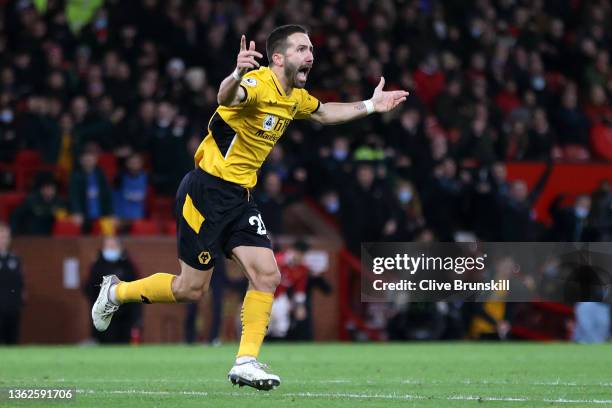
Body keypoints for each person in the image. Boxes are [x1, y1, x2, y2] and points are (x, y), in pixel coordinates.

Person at [91, 24, 408, 391]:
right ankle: (115, 292)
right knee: (191, 289)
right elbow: (227, 97)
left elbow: (322, 113)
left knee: (268, 275)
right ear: (278, 58)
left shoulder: (294, 96)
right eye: (302, 49)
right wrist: (237, 72)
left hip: (240, 198)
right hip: (206, 191)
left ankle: (245, 361)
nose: (310, 55)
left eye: (311, 49)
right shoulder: (257, 83)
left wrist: (371, 105)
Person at [84, 236, 142, 343]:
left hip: (125, 315)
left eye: (113, 246)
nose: (110, 249)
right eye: (108, 246)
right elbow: (88, 288)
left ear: (120, 247)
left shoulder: (128, 266)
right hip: (103, 314)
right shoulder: (97, 266)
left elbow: (137, 288)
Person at [0, 223, 24, 344]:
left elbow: (19, 282)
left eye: (6, 237)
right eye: (1, 237)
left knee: (12, 340)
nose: (3, 240)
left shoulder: (14, 258)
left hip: (12, 305)